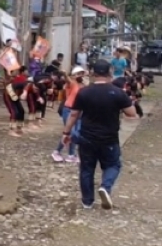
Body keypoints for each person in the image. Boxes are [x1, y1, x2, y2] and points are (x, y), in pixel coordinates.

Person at [62, 59, 137, 210]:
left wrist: (66, 132)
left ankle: (87, 201)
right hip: (109, 137)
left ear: (93, 73)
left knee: (86, 168)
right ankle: (105, 187)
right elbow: (131, 114)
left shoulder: (84, 92)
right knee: (113, 165)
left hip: (87, 137)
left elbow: (74, 114)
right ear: (109, 72)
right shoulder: (117, 92)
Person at [51, 67, 85, 163]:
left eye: (81, 73)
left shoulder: (83, 85)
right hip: (69, 110)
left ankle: (71, 155)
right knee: (70, 132)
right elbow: (67, 79)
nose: (80, 75)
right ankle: (57, 151)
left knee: (76, 133)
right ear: (74, 75)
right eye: (78, 73)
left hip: (79, 111)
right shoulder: (71, 83)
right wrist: (65, 74)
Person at [4, 66, 29, 136]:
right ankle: (11, 130)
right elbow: (25, 86)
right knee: (14, 112)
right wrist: (24, 93)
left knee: (21, 111)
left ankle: (19, 128)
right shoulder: (24, 81)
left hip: (15, 94)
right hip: (9, 92)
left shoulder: (24, 79)